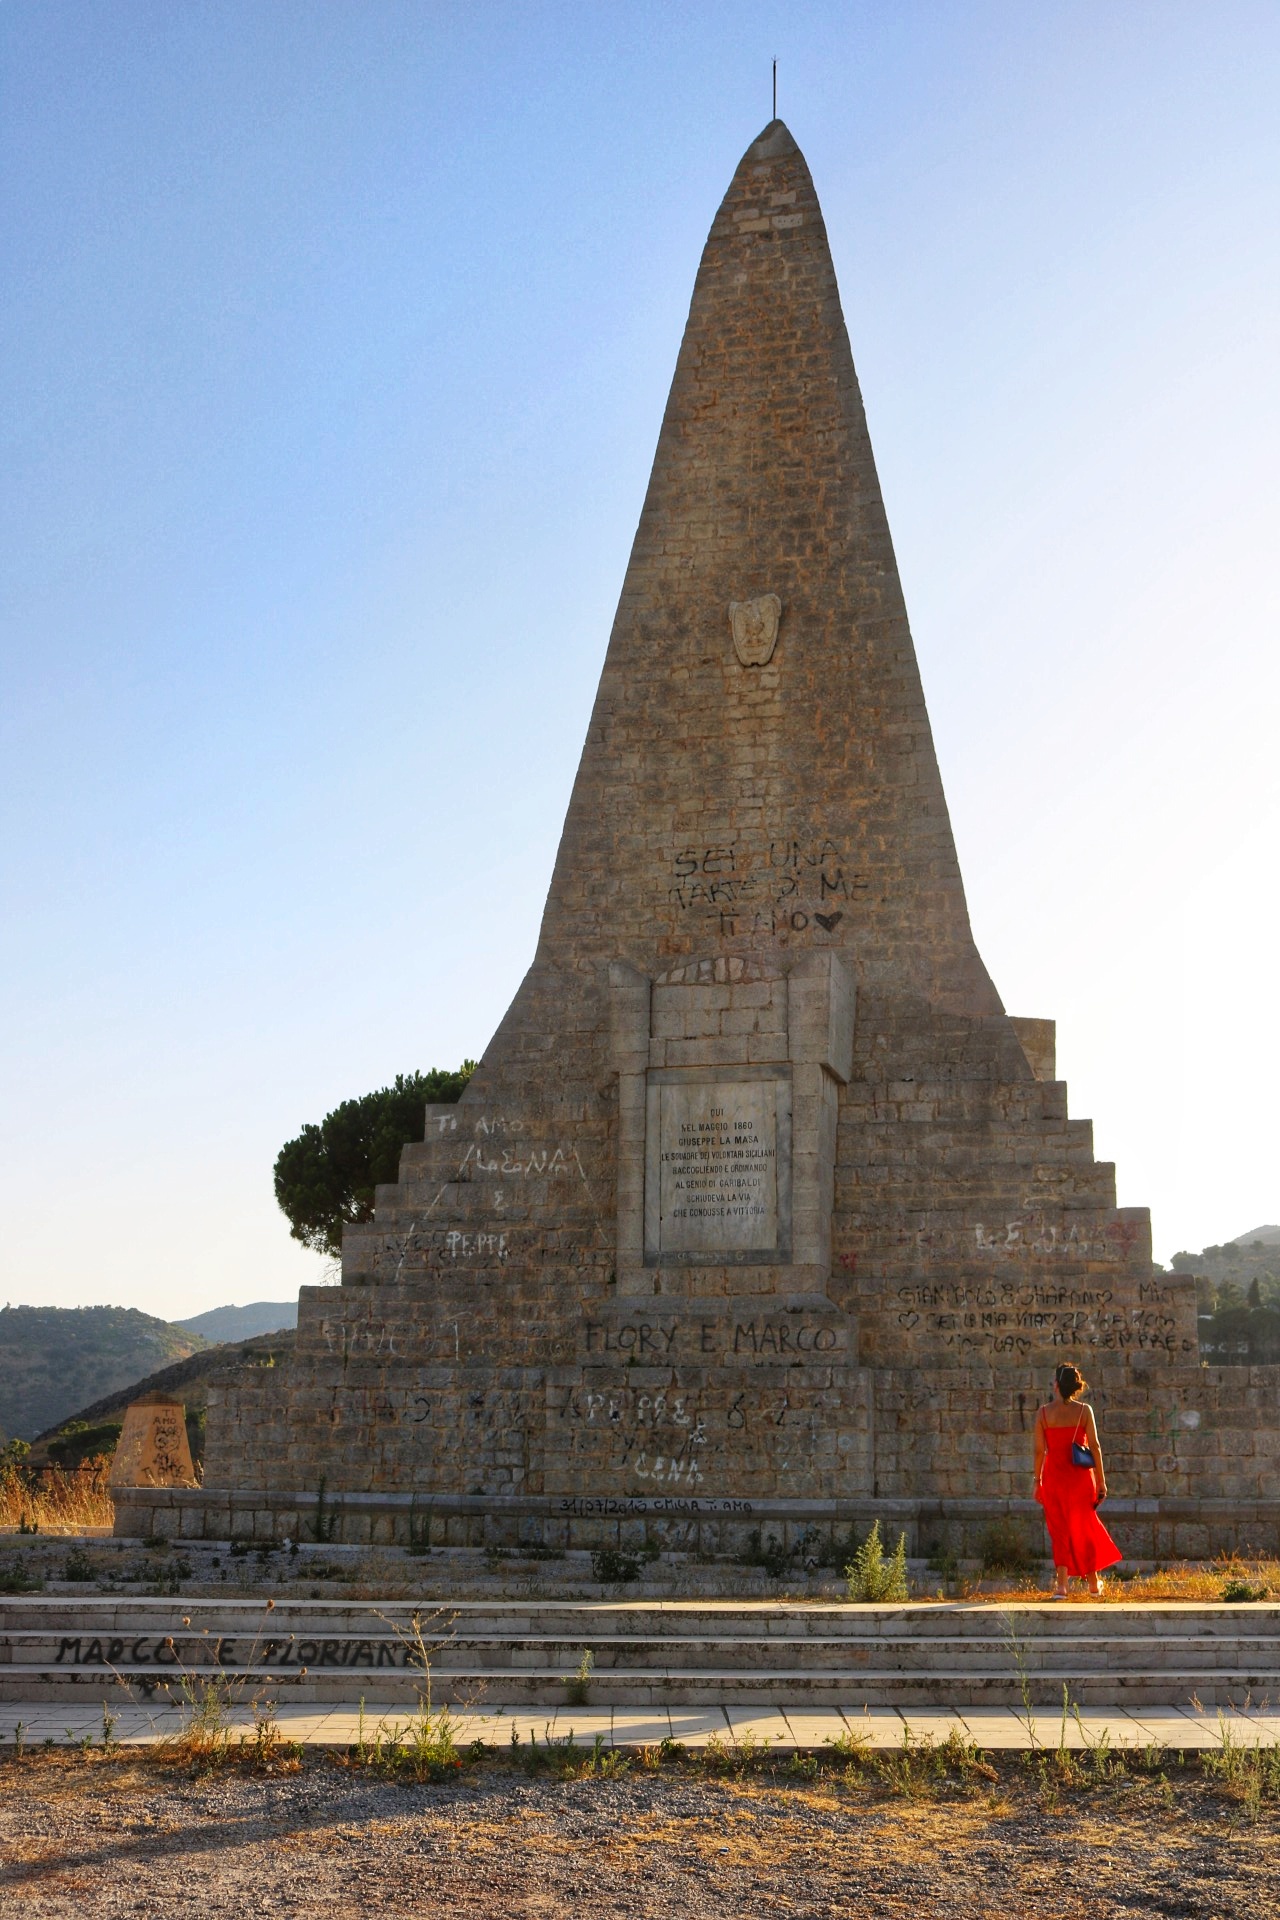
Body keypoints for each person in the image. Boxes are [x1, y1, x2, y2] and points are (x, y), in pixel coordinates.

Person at [1033, 1363, 1121, 1597]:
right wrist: (1101, 1481)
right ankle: (1093, 1583)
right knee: (1084, 1528)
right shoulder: (1085, 1411)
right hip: (1081, 1479)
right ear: (1075, 1386)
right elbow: (1095, 1446)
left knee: (1059, 1531)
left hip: (1054, 1478)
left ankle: (1062, 1586)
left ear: (1056, 1385)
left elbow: (1039, 1451)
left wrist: (1037, 1480)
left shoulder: (1043, 1413)